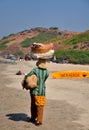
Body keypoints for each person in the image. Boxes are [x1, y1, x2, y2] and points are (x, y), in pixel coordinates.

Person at [25, 58, 49, 125]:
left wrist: (26, 84)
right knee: (40, 105)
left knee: (33, 104)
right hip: (42, 91)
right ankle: (39, 120)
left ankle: (33, 118)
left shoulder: (35, 70)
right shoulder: (47, 72)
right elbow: (44, 80)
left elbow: (27, 76)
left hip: (34, 90)